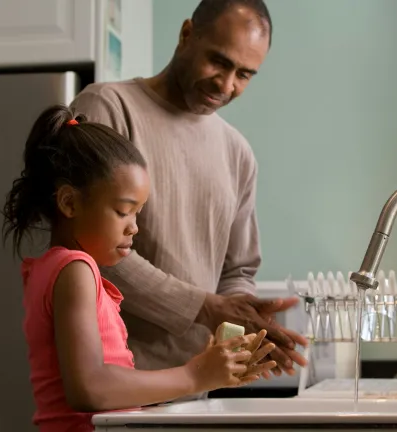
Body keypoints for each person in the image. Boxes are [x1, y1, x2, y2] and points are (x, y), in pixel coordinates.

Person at [70, 0, 307, 380]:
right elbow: (89, 246)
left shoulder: (238, 153)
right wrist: (206, 308)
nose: (226, 85)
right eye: (219, 61)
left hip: (194, 386)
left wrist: (241, 314)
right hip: (112, 382)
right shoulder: (107, 108)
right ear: (186, 35)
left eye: (244, 75)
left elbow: (238, 268)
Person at [1, 105, 276, 432]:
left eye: (137, 214)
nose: (134, 228)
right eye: (123, 211)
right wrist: (194, 374)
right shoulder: (75, 270)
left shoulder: (52, 268)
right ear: (69, 203)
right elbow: (89, 387)